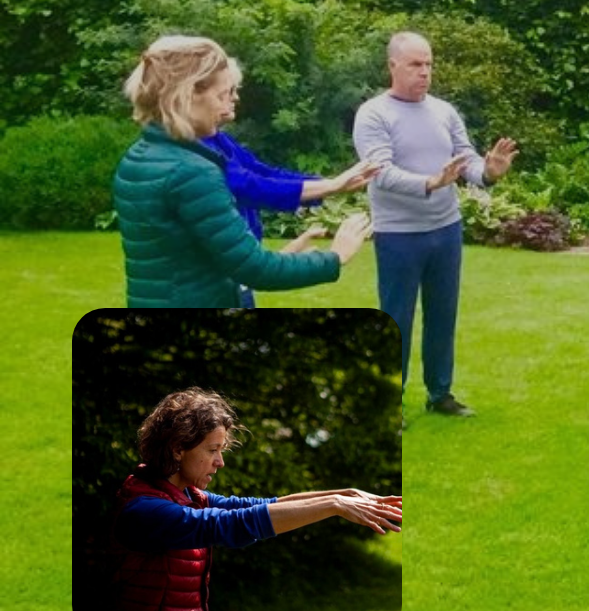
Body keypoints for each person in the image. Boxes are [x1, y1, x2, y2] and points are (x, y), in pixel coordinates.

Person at [114, 387, 401, 611]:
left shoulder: (183, 494)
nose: (220, 462)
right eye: (212, 450)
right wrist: (334, 505)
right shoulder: (146, 509)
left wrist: (342, 495)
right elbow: (236, 524)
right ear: (178, 449)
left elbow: (255, 506)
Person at [113, 35, 373, 308]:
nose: (227, 104)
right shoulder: (192, 172)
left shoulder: (138, 157)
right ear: (189, 94)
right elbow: (255, 268)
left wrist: (286, 255)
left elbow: (192, 258)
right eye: (222, 95)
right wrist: (335, 256)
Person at [353, 31, 518, 418]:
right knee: (396, 319)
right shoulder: (374, 114)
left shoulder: (444, 111)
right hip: (398, 234)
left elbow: (466, 160)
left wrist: (488, 172)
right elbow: (380, 172)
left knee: (443, 314)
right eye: (415, 64)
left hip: (446, 229)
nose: (424, 72)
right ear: (393, 65)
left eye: (428, 64)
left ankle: (440, 393)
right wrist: (430, 182)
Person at [200, 83, 383, 307]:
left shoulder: (219, 141)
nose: (235, 97)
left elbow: (264, 173)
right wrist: (335, 255)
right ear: (193, 93)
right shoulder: (195, 155)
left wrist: (327, 184)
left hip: (235, 280)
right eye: (227, 90)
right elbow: (248, 185)